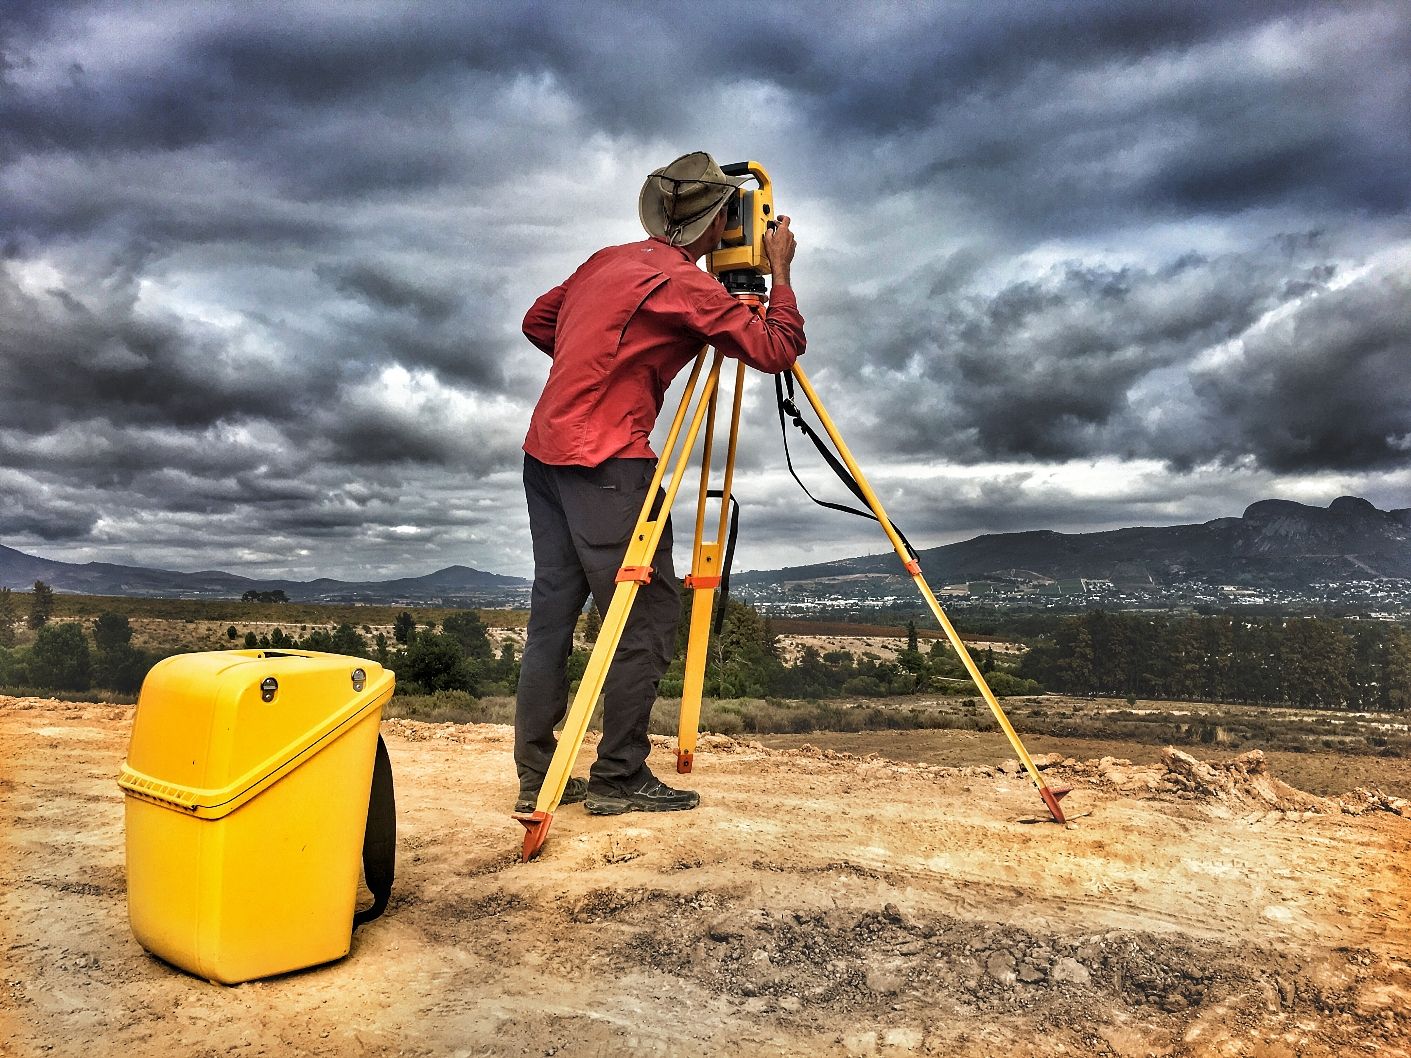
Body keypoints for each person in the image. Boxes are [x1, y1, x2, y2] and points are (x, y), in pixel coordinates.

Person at [514, 151, 805, 816]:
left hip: (545, 452)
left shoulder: (604, 261)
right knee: (644, 618)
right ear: (717, 223)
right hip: (609, 463)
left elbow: (538, 321)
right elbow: (775, 348)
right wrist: (780, 270)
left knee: (551, 618)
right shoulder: (686, 287)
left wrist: (605, 359)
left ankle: (538, 774)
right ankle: (618, 776)